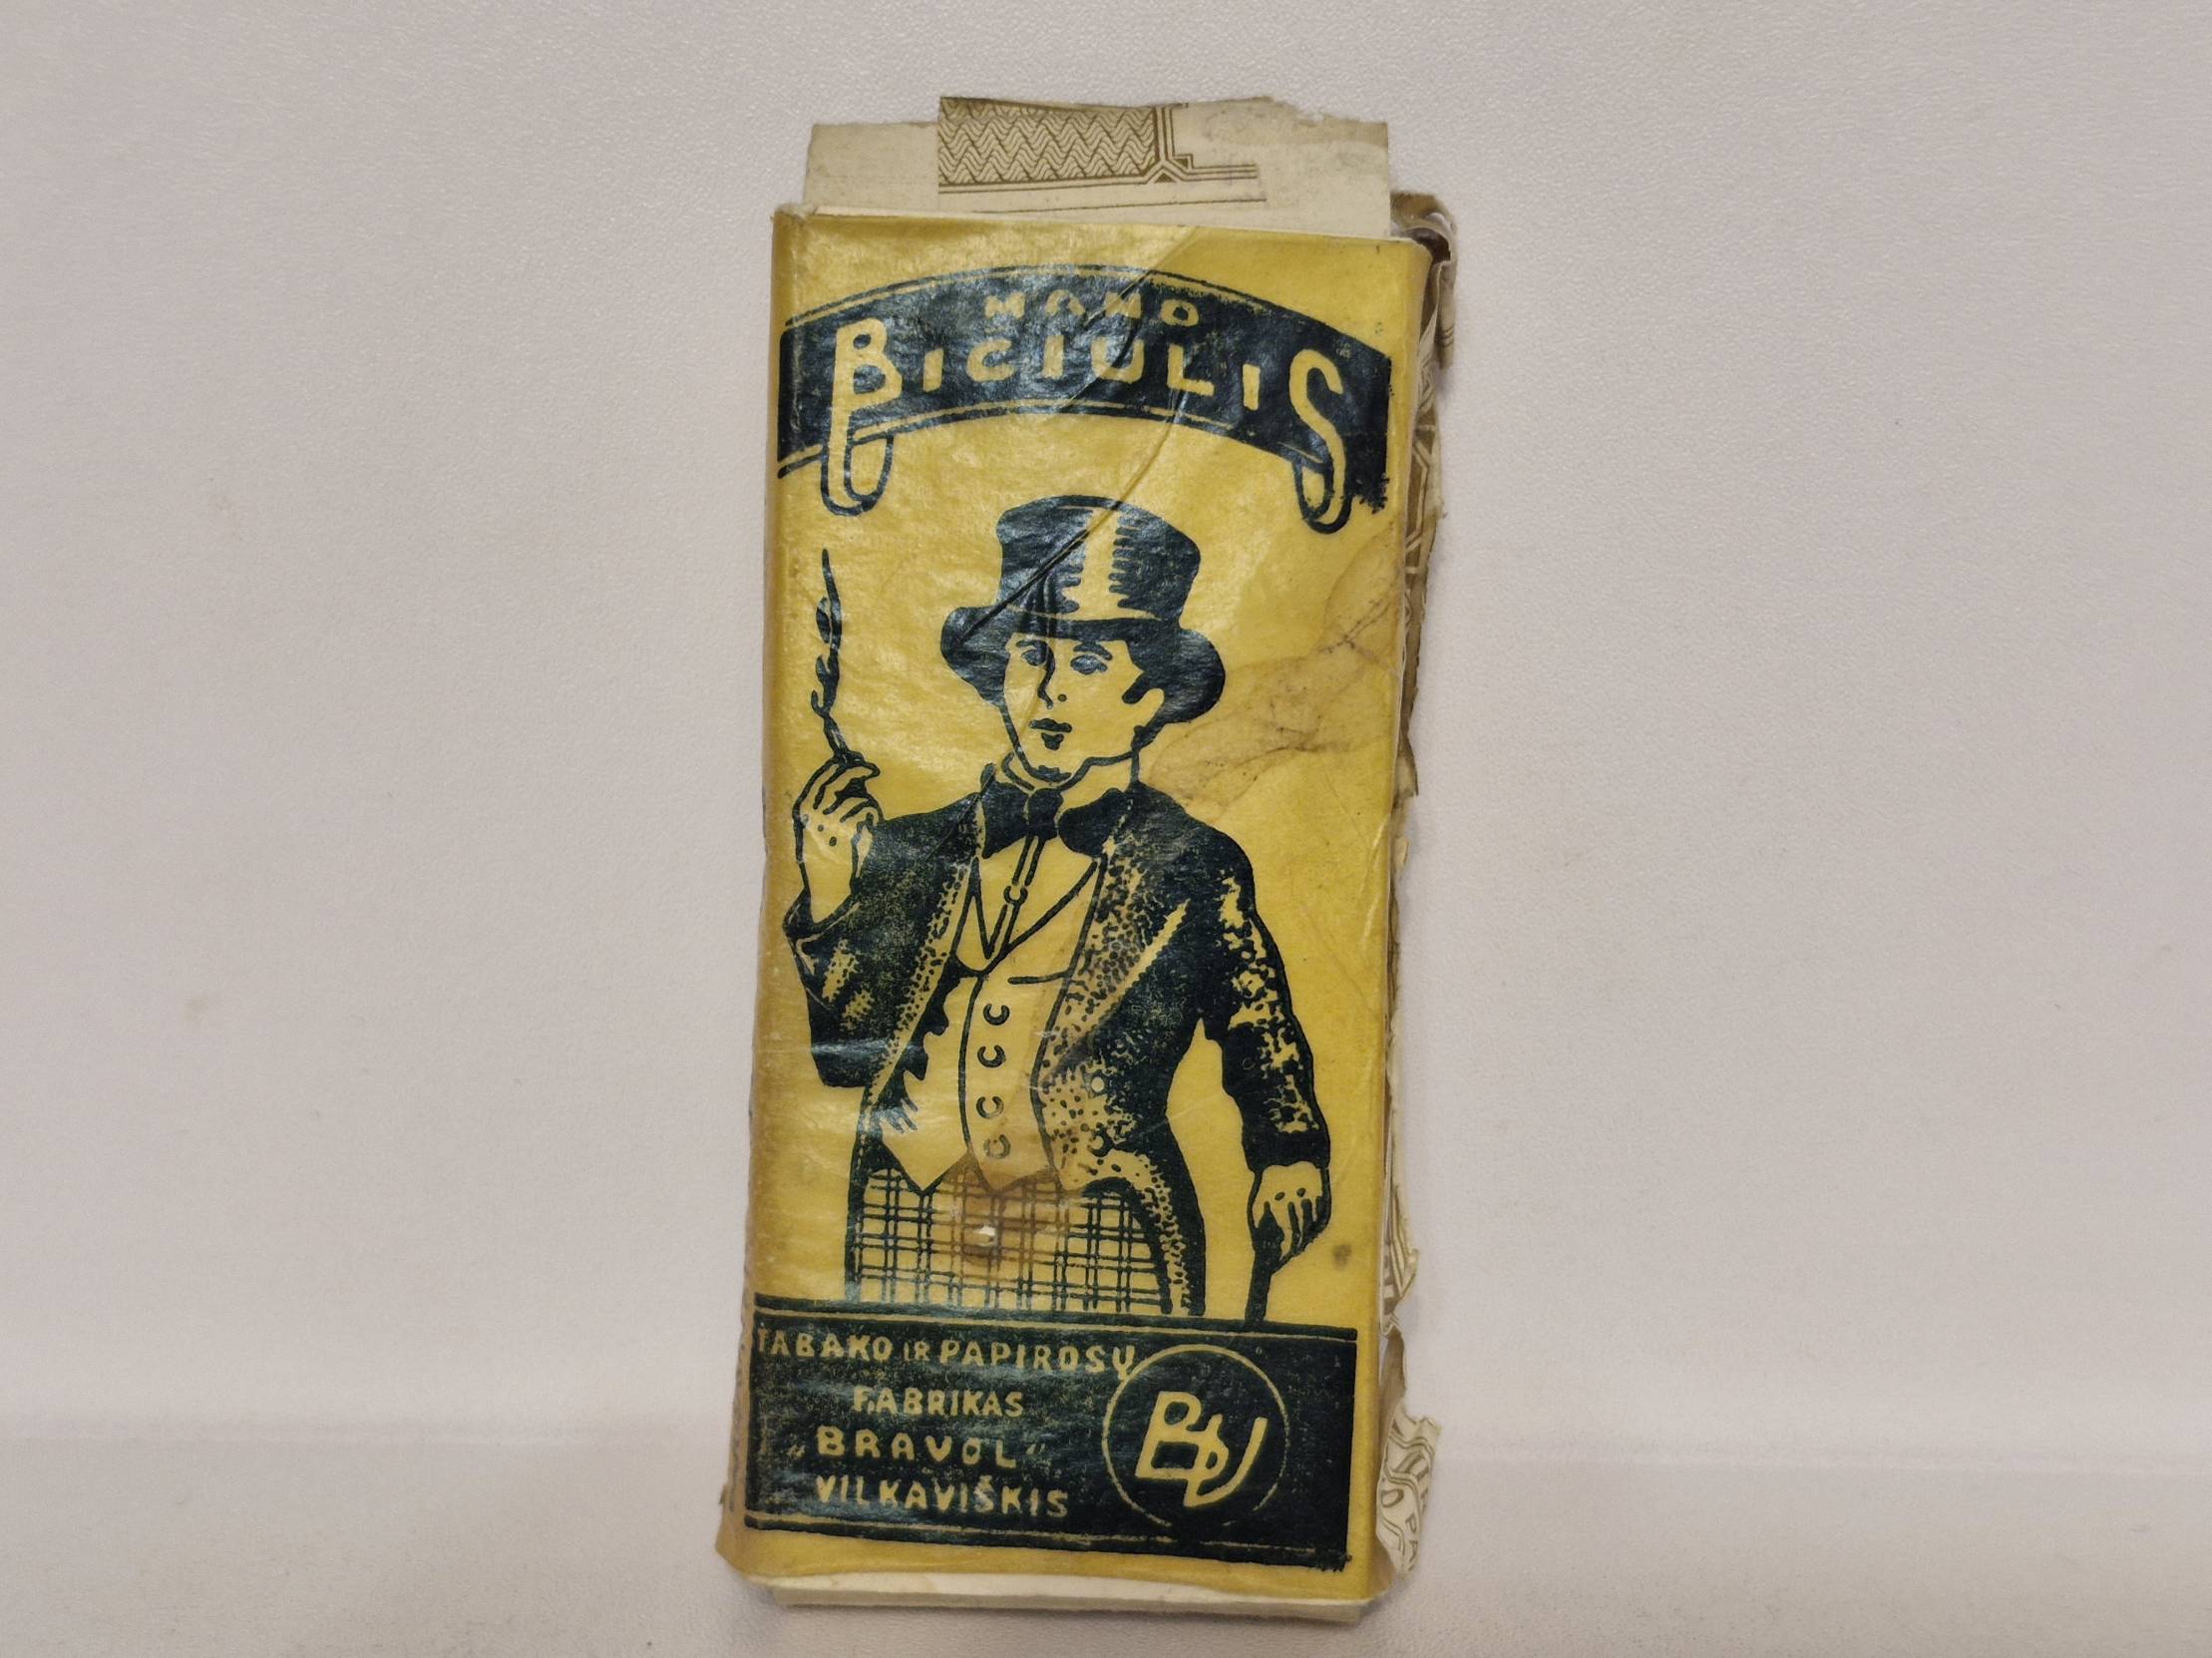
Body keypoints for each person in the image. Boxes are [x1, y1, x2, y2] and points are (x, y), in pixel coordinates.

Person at [786, 496, 1330, 1318]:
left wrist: (1289, 1150)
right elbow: (847, 1058)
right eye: (1032, 656)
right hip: (907, 1208)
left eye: (1088, 664)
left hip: (1103, 1222)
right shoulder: (915, 847)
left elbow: (1257, 1021)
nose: (1048, 692)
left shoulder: (1192, 864)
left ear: (1151, 696)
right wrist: (832, 893)